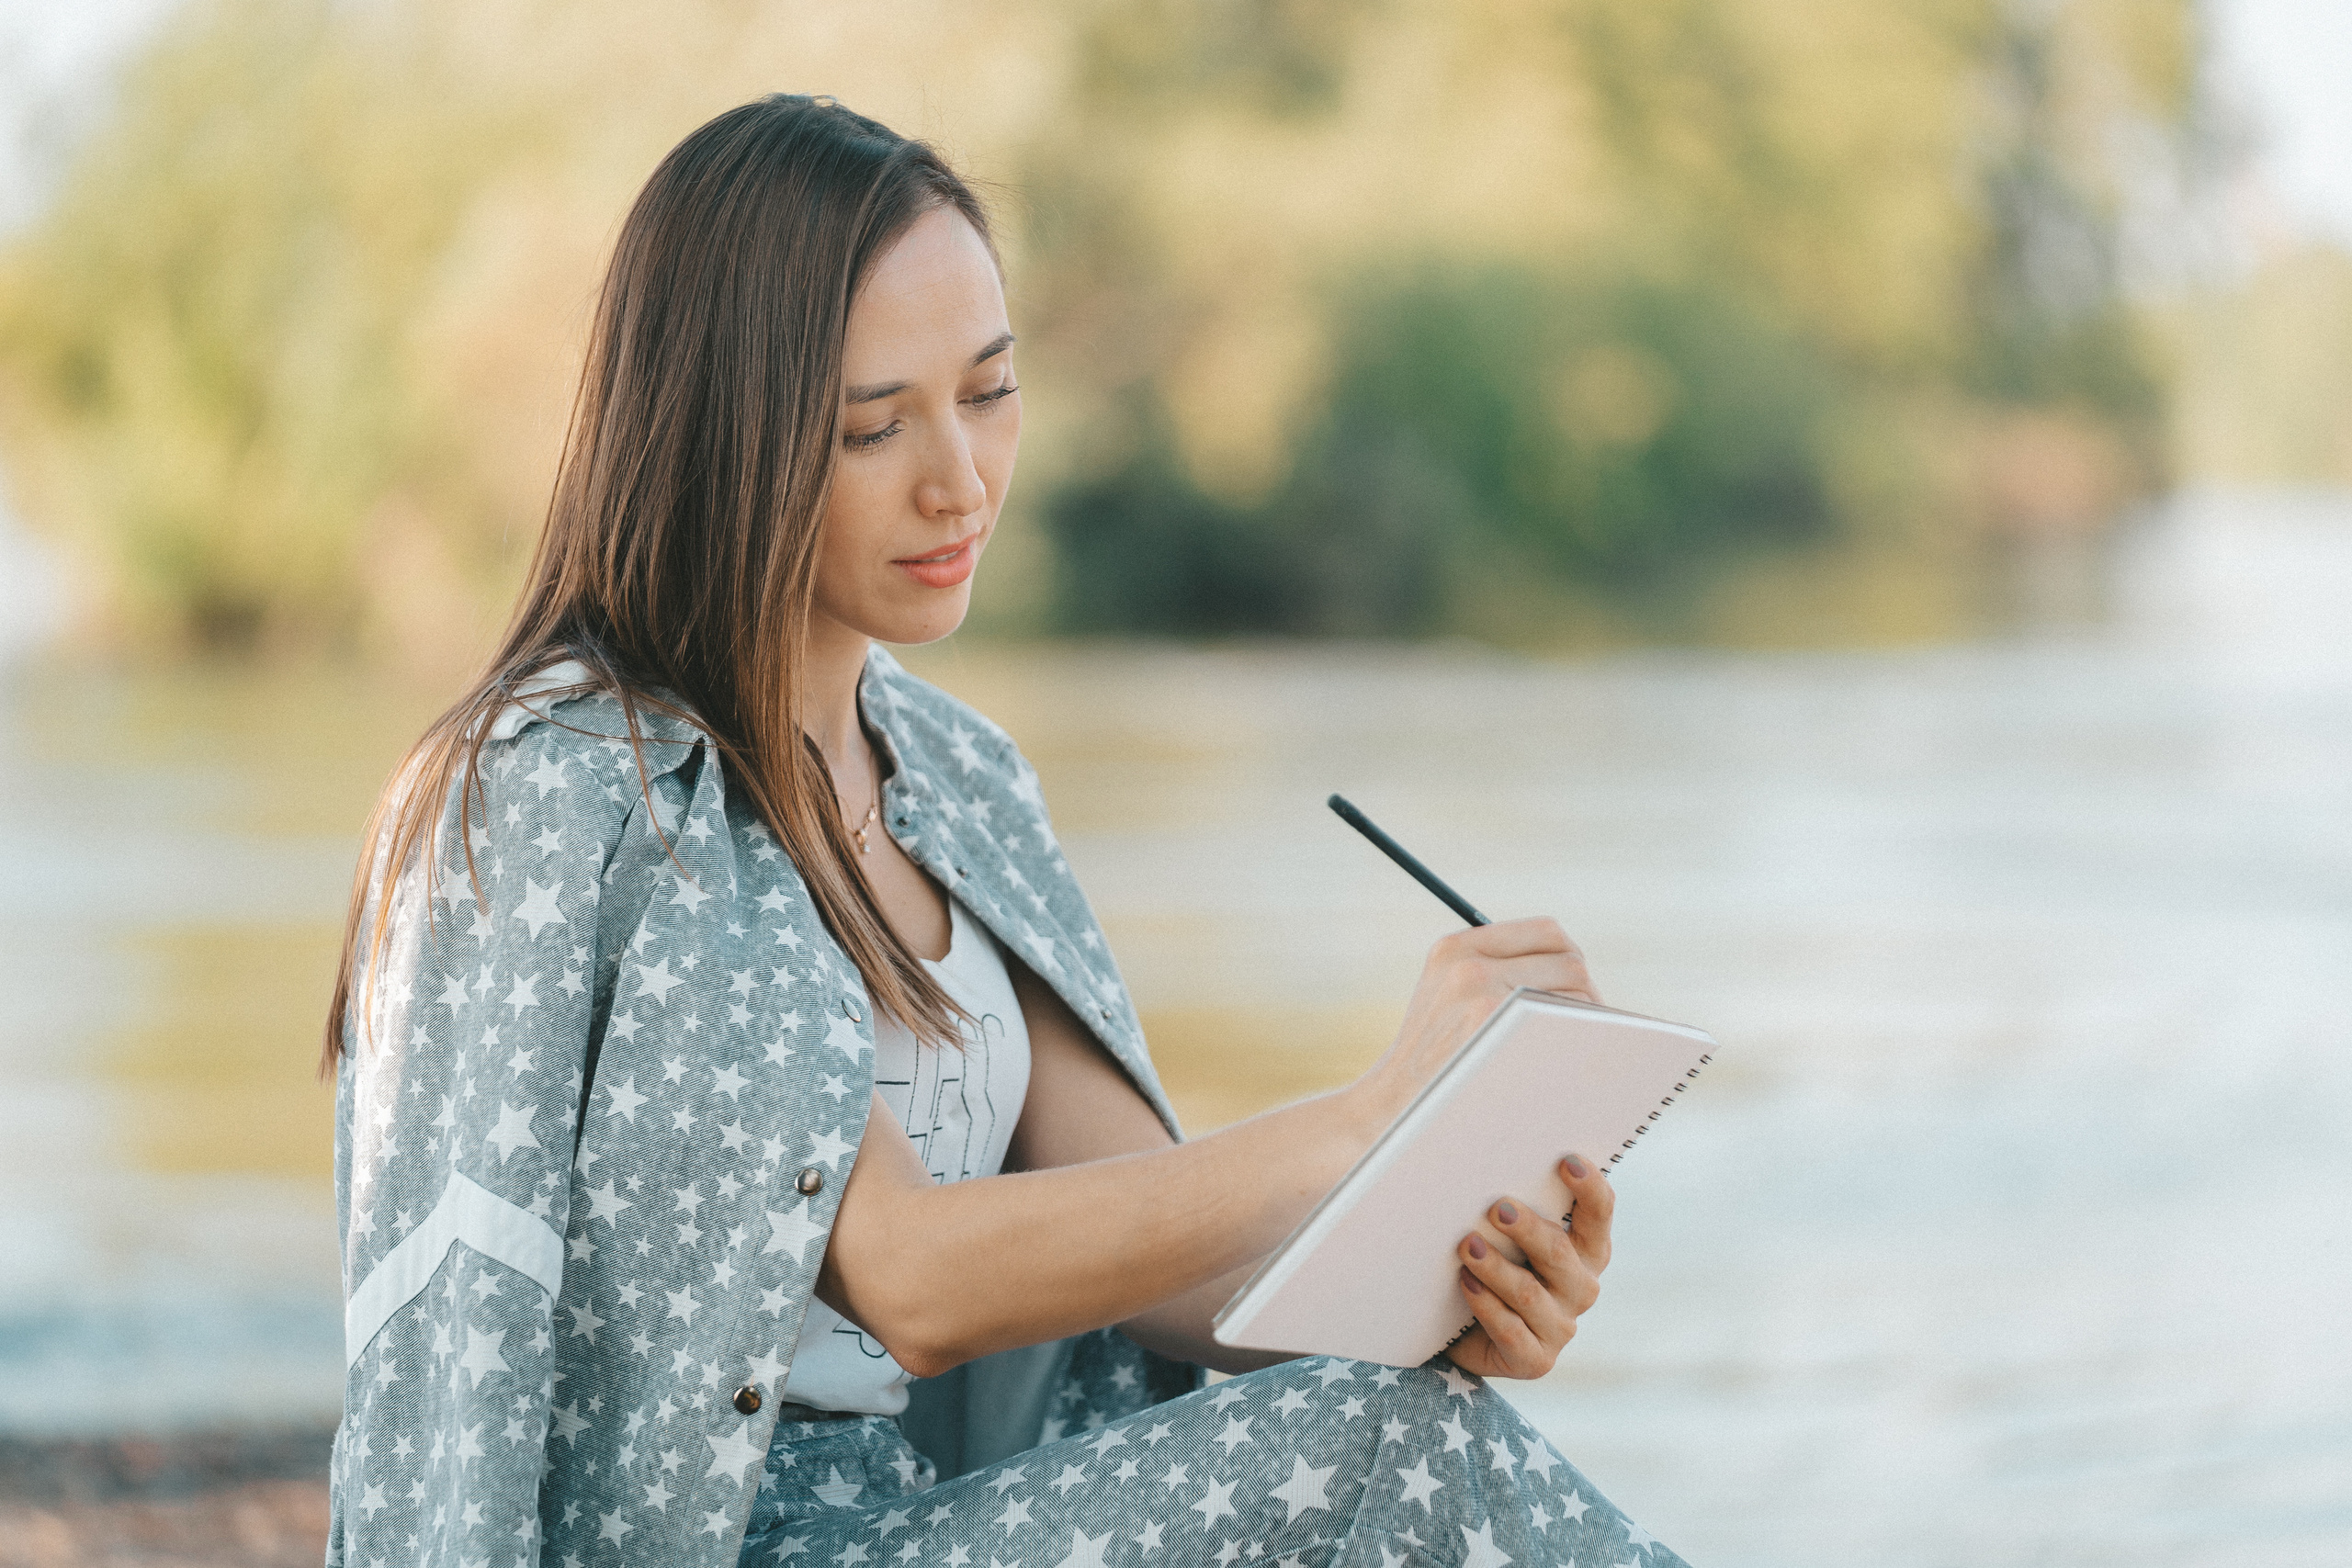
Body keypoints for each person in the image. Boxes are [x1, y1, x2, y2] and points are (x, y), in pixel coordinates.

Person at [321, 94, 1690, 1568]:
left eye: (989, 392)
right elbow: (912, 1275)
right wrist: (1371, 1111)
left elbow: (1182, 1281)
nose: (958, 480)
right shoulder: (582, 789)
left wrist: (1449, 1278)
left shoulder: (958, 779)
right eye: (871, 427)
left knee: (1408, 1417)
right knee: (1379, 1454)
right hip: (709, 1543)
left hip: (923, 1521)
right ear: (721, 439)